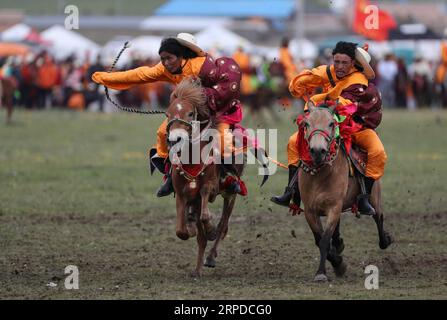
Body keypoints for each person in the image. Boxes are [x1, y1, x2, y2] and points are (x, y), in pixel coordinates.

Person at [92, 33, 245, 197]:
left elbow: (223, 87)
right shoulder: (164, 68)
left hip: (215, 109)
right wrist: (107, 78)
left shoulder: (201, 66)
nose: (165, 63)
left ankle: (230, 176)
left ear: (182, 56)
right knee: (163, 132)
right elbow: (140, 74)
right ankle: (169, 176)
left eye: (169, 58)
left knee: (222, 137)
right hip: (186, 113)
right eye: (162, 58)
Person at [271, 41, 386, 215]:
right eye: (336, 61)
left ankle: (364, 197)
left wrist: (315, 101)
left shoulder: (358, 81)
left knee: (377, 152)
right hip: (327, 124)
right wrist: (299, 84)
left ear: (353, 64)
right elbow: (307, 78)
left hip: (357, 128)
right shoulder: (331, 71)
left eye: (344, 63)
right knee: (293, 141)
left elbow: (343, 106)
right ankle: (291, 191)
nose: (339, 66)